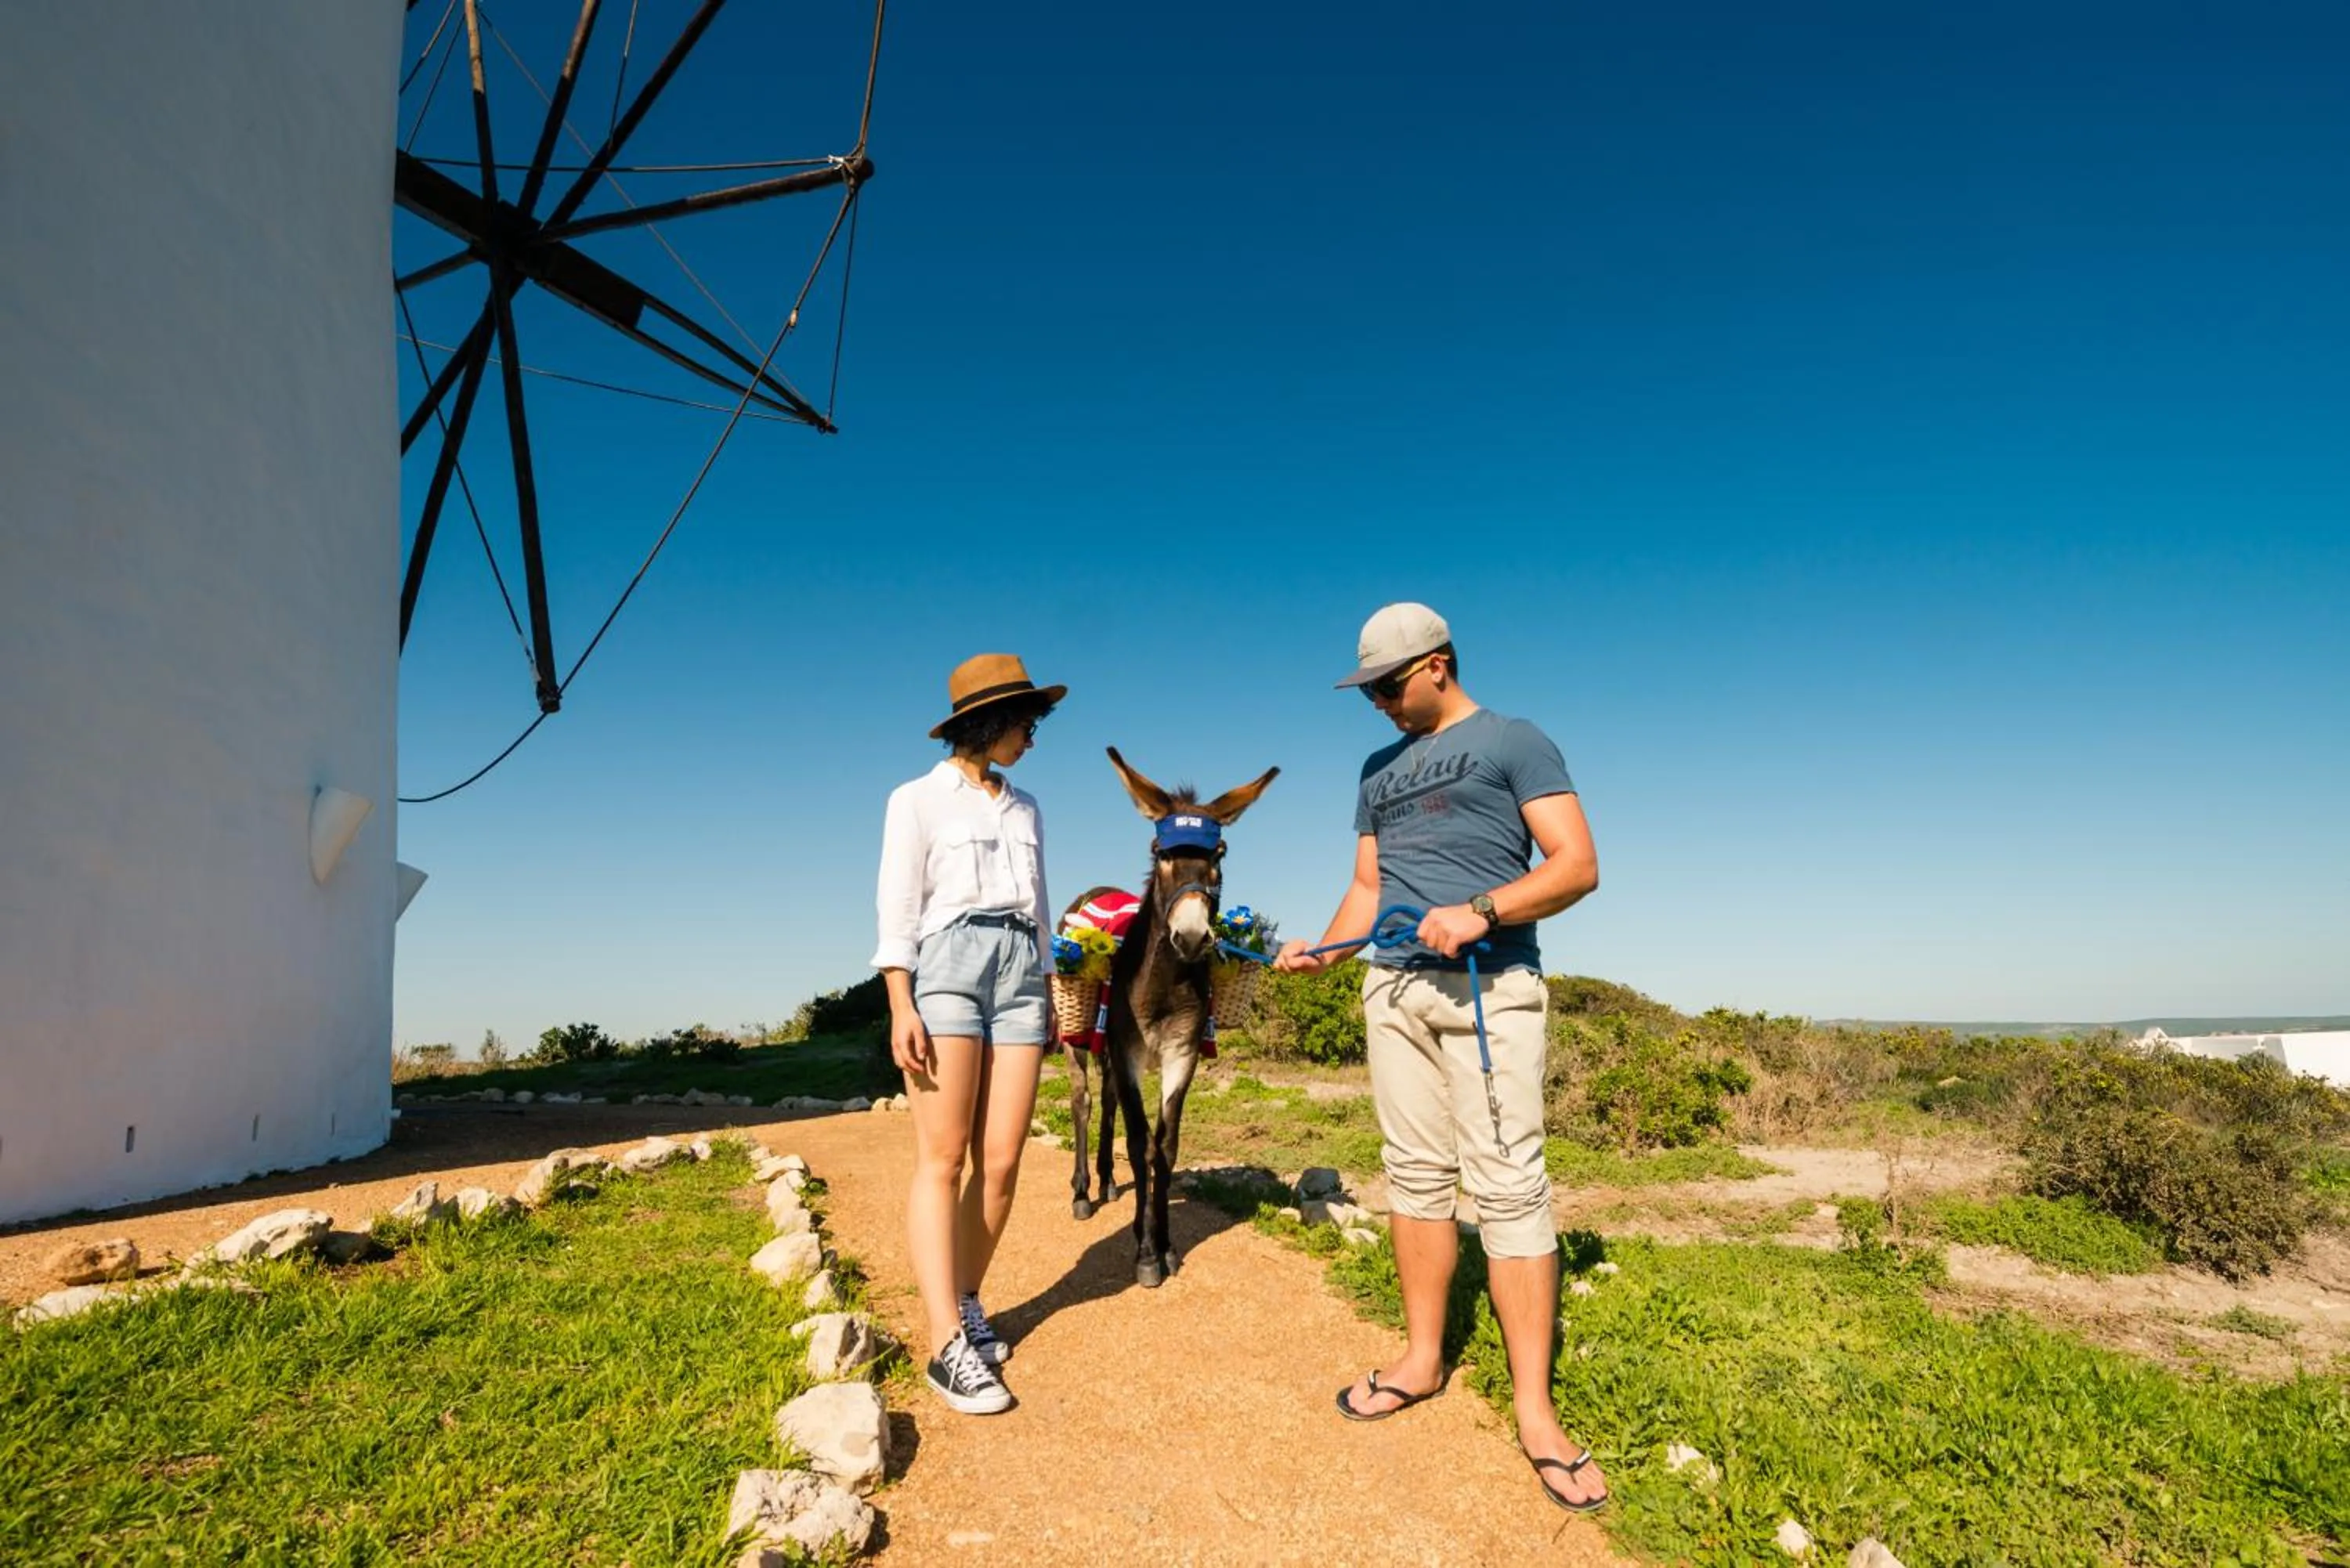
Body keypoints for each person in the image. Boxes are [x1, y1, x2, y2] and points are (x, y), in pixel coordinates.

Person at [1273, 602, 1607, 1513]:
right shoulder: (1376, 768)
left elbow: (1576, 864)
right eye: (1366, 689)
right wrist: (1324, 948)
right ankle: (1422, 1360)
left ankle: (1536, 1412)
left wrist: (1484, 911)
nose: (1376, 702)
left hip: (1490, 989)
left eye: (1387, 684)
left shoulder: (1514, 740)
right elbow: (1368, 886)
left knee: (1509, 1185)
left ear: (1438, 665)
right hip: (1391, 989)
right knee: (1413, 1176)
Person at [874, 652, 1065, 1415]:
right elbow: (898, 907)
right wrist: (901, 1001)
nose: (1033, 736)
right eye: (1027, 722)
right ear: (988, 722)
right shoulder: (916, 800)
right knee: (943, 1156)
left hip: (1022, 973)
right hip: (949, 965)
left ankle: (969, 1297)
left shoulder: (1027, 808)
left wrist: (1050, 988)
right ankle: (947, 1342)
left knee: (1004, 1160)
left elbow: (1042, 905)